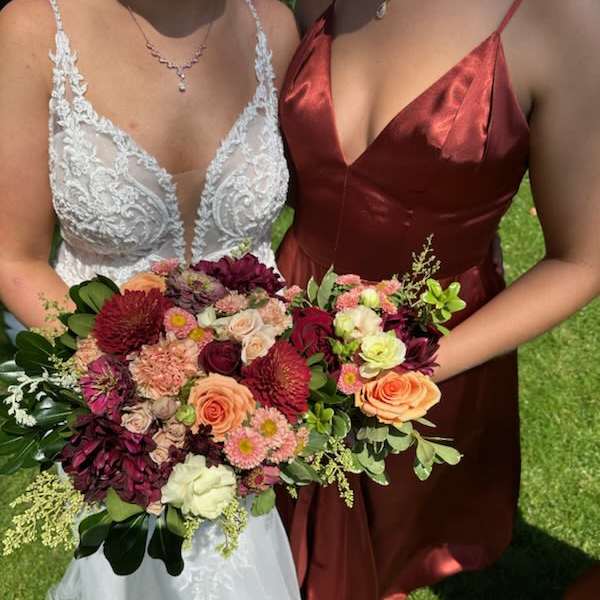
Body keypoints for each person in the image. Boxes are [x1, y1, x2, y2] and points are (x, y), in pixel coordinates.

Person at [276, 1, 600, 598]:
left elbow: (582, 261)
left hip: (429, 354)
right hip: (282, 321)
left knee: (370, 558)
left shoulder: (564, 20)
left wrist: (402, 377)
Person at [0, 0, 301, 598]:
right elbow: (15, 258)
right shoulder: (33, 28)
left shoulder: (272, 24)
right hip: (106, 390)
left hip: (255, 392)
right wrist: (139, 389)